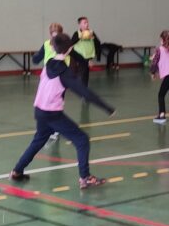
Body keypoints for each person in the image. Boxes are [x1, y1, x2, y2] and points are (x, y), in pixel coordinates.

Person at [10, 32, 115, 188]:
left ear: (53, 47)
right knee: (82, 140)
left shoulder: (49, 63)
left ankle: (17, 171)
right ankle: (85, 177)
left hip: (39, 110)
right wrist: (107, 108)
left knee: (39, 140)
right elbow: (84, 92)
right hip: (52, 114)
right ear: (70, 49)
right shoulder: (64, 73)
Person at [70, 16, 101, 87]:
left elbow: (98, 43)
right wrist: (80, 37)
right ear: (80, 24)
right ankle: (81, 88)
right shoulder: (77, 33)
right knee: (82, 73)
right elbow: (71, 43)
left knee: (86, 74)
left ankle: (84, 88)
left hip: (88, 56)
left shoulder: (91, 32)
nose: (87, 24)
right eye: (84, 23)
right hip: (80, 57)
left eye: (87, 22)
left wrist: (93, 38)